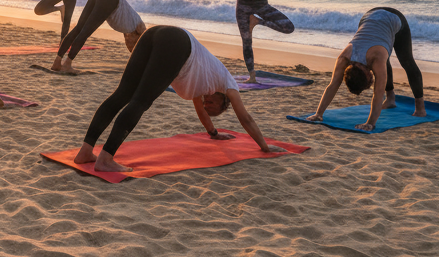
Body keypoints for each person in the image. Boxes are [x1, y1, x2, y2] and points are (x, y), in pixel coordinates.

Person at [75, 25, 286, 173]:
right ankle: (106, 159)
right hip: (177, 42)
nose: (206, 103)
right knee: (140, 101)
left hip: (156, 33)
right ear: (224, 102)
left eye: (207, 105)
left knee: (122, 94)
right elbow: (245, 118)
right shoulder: (229, 85)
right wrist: (264, 146)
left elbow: (201, 112)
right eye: (212, 104)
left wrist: (213, 133)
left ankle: (86, 152)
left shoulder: (201, 86)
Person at [301, 7, 425, 131]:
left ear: (366, 73)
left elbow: (378, 94)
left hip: (394, 17)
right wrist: (318, 114)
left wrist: (370, 123)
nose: (372, 77)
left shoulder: (375, 57)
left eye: (370, 79)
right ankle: (390, 99)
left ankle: (420, 108)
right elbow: (332, 85)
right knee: (382, 61)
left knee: (407, 61)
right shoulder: (344, 58)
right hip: (370, 16)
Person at [50, 0, 148, 73]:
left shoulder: (128, 25)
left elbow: (131, 46)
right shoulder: (140, 26)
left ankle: (57, 63)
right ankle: (67, 64)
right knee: (85, 32)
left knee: (78, 28)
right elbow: (141, 43)